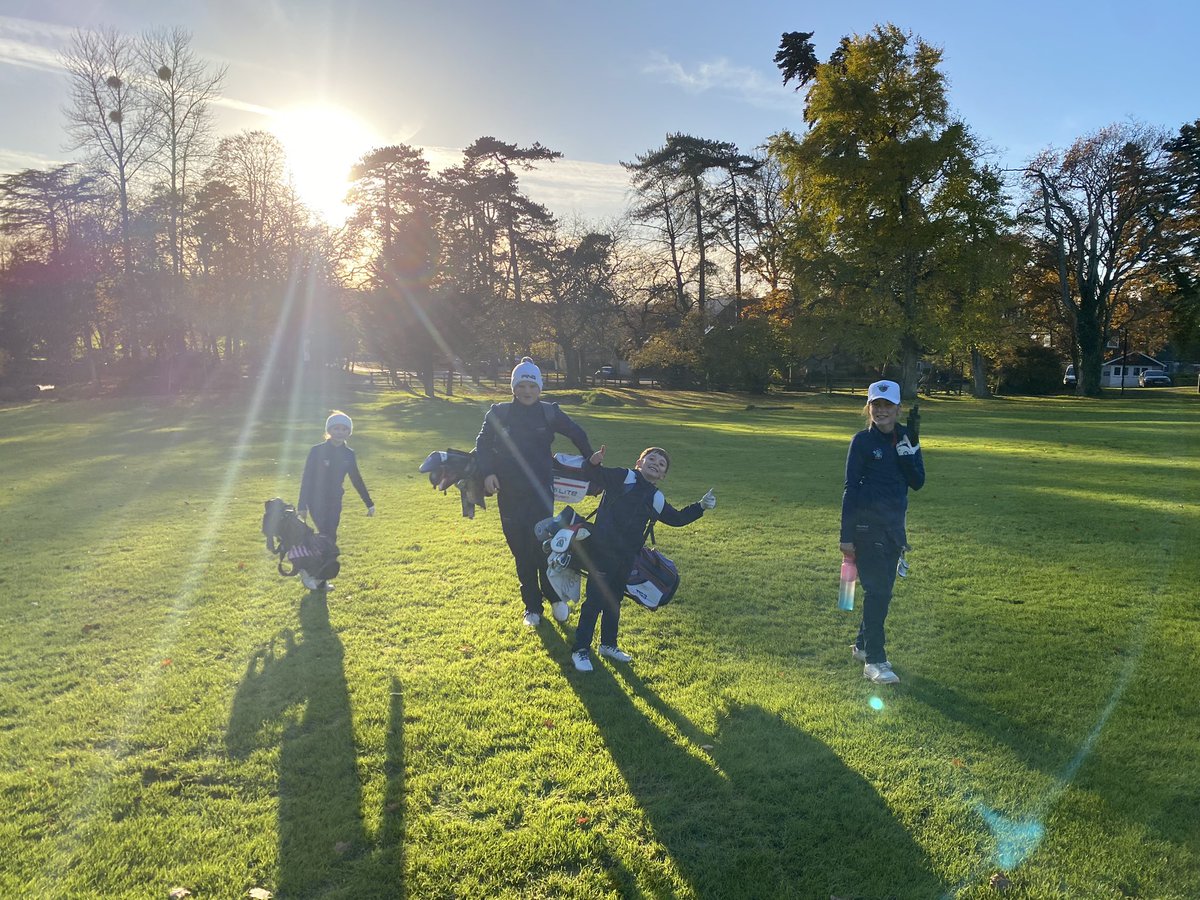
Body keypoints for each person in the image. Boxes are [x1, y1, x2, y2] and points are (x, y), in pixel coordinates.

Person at [570, 446, 715, 672]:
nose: (656, 463)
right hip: (601, 552)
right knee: (594, 601)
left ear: (663, 476)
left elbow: (676, 518)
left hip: (627, 558)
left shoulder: (656, 498)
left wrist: (700, 507)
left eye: (661, 464)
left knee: (614, 601)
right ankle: (580, 649)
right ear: (639, 463)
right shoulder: (624, 477)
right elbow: (593, 474)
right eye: (651, 459)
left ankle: (608, 645)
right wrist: (593, 462)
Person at [475, 358, 595, 627]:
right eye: (521, 385)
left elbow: (577, 433)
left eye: (532, 386)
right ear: (514, 388)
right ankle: (532, 607)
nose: (527, 391)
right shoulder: (499, 413)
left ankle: (554, 598)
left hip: (541, 492)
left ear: (539, 388)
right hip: (509, 492)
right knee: (520, 550)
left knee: (543, 547)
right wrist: (487, 473)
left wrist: (591, 459)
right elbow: (482, 443)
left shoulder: (549, 413)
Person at [839, 380, 924, 684]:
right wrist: (846, 536)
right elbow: (850, 488)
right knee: (877, 593)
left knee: (882, 593)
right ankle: (874, 660)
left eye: (888, 405)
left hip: (894, 528)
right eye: (876, 405)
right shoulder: (862, 441)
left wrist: (907, 455)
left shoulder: (907, 437)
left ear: (898, 408)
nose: (882, 411)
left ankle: (862, 646)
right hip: (866, 527)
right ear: (869, 408)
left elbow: (918, 482)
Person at [297, 411, 375, 590]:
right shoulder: (317, 451)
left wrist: (369, 503)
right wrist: (302, 505)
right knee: (326, 536)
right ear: (329, 430)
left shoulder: (349, 454)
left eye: (344, 429)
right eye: (336, 428)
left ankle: (320, 579)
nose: (340, 432)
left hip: (335, 501)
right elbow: (307, 478)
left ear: (349, 432)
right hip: (315, 500)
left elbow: (356, 479)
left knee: (330, 538)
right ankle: (310, 574)